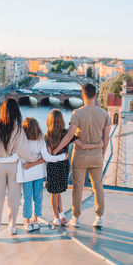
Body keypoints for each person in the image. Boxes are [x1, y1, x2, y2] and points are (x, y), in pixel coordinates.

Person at [0, 117, 68, 233]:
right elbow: (47, 158)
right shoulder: (40, 141)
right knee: (38, 198)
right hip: (38, 175)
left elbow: (16, 157)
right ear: (37, 128)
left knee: (27, 199)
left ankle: (27, 221)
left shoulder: (21, 142)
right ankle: (36, 220)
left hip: (26, 176)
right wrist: (62, 157)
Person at [53, 84, 111, 227]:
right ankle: (99, 218)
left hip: (80, 156)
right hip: (97, 155)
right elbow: (107, 138)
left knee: (78, 187)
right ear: (95, 95)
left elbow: (69, 135)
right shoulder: (104, 113)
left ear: (82, 95)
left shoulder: (77, 113)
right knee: (98, 187)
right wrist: (102, 154)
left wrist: (56, 149)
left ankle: (76, 217)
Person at [0, 98, 40, 240]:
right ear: (16, 111)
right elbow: (24, 152)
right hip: (14, 166)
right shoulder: (18, 129)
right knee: (14, 197)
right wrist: (37, 158)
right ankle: (12, 226)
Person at [40, 109, 103, 226]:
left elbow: (50, 154)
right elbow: (82, 145)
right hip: (64, 167)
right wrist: (98, 145)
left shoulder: (47, 135)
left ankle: (56, 218)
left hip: (53, 166)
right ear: (62, 121)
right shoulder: (67, 134)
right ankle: (62, 215)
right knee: (58, 192)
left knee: (54, 194)